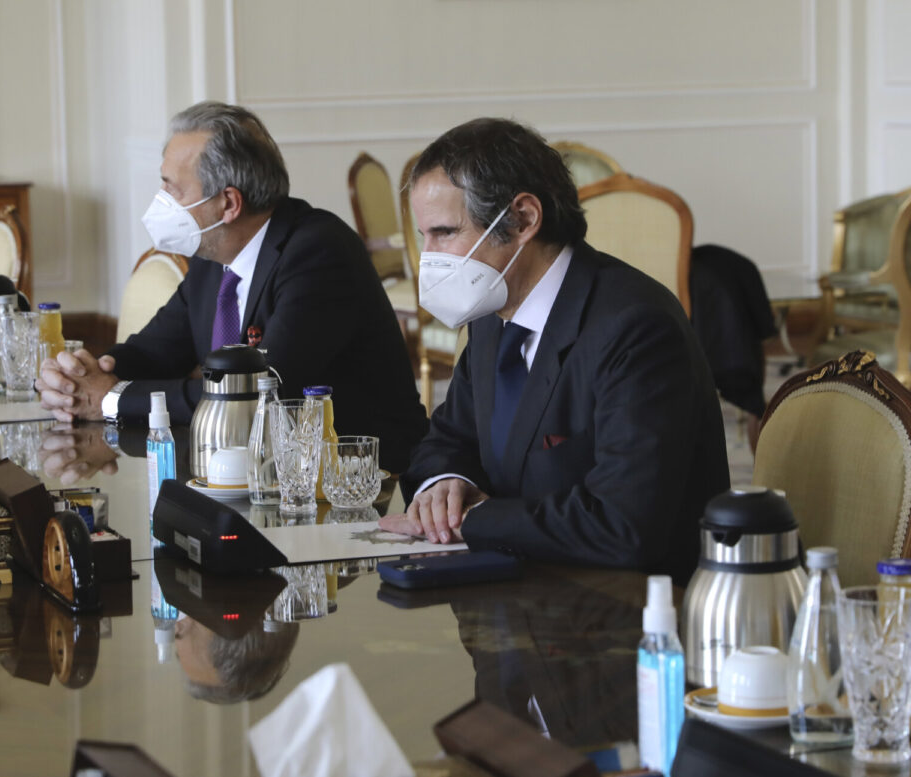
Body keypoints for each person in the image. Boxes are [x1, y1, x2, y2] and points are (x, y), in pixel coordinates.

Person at [378, 117, 729, 582]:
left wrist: (473, 520)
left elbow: (624, 524)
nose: (430, 257)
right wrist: (447, 484)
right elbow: (447, 439)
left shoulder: (636, 328)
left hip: (626, 615)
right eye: (424, 237)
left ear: (523, 219)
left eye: (444, 233)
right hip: (516, 597)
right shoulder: (491, 315)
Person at [37, 101, 427, 473]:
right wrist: (79, 379)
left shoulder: (319, 252)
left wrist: (108, 398)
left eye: (173, 190)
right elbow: (153, 351)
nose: (161, 202)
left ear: (228, 204)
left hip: (353, 478)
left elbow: (255, 394)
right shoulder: (213, 256)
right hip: (248, 468)